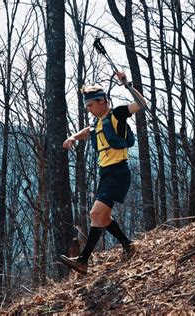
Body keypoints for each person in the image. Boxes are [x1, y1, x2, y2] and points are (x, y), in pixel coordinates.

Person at [60, 71, 146, 274]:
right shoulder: (98, 122)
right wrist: (73, 136)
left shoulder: (117, 115)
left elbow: (142, 104)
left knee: (95, 213)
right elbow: (88, 131)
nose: (89, 109)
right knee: (103, 218)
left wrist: (127, 84)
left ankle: (83, 260)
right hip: (105, 173)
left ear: (101, 101)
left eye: (90, 105)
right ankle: (128, 245)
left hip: (118, 172)